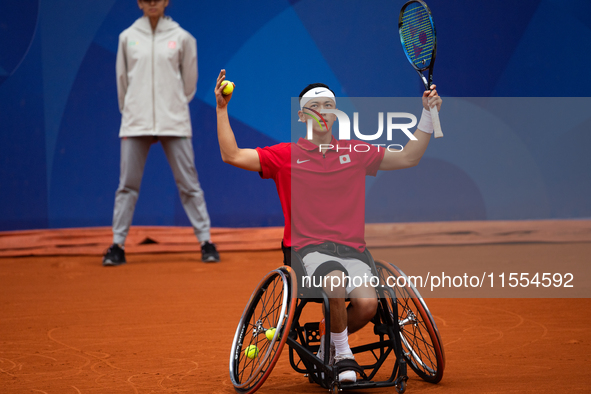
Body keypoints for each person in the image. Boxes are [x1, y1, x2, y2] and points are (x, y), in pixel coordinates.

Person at [215, 69, 442, 382]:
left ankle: (327, 343)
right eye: (316, 105)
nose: (323, 110)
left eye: (328, 105)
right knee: (334, 279)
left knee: (367, 304)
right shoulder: (285, 155)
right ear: (302, 114)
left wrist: (428, 114)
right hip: (307, 252)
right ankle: (344, 356)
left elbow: (408, 157)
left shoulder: (356, 152)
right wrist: (222, 109)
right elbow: (232, 155)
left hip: (354, 251)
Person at [103, 0, 219, 266]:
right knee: (127, 186)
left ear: (166, 1)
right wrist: (134, 110)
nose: (152, 2)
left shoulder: (182, 38)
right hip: (136, 121)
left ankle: (206, 242)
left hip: (174, 120)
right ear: (139, 3)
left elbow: (189, 84)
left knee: (189, 184)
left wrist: (172, 105)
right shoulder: (127, 38)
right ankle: (117, 245)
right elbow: (122, 82)